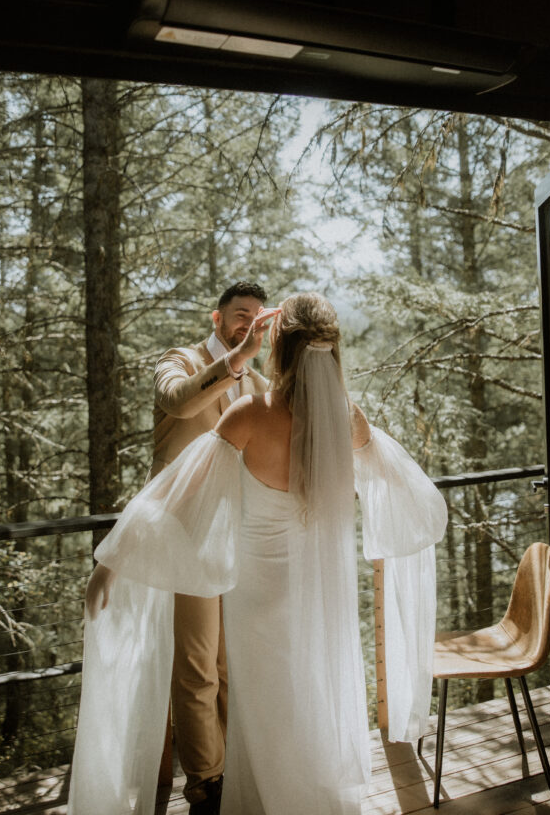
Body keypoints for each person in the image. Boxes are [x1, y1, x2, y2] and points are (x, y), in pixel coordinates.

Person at [68, 293, 447, 815]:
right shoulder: (347, 418)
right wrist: (378, 535)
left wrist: (111, 560)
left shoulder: (253, 413)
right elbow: (413, 494)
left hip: (258, 595)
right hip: (322, 596)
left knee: (262, 706)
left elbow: (177, 489)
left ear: (279, 350)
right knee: (309, 696)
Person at [151, 280, 269, 813]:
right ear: (217, 319)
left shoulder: (257, 381)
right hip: (186, 532)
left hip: (237, 533)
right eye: (241, 314)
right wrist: (236, 361)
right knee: (197, 664)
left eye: (257, 317)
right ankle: (204, 786)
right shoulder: (181, 360)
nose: (249, 324)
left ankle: (232, 770)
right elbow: (177, 403)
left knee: (230, 664)